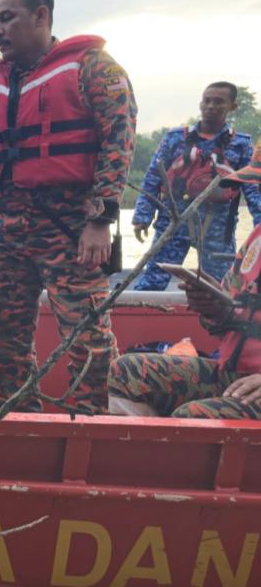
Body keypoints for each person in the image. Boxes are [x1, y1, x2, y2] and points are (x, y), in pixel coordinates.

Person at [0, 0, 137, 413]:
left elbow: (118, 142)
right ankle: (21, 419)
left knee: (87, 336)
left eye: (7, 18)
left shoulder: (94, 68)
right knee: (3, 336)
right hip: (0, 227)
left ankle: (92, 425)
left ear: (42, 16)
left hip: (69, 226)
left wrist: (101, 220)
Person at [108, 160, 261, 419]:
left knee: (190, 418)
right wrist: (215, 307)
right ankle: (143, 454)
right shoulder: (256, 239)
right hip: (235, 376)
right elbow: (225, 325)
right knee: (126, 372)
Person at [131, 82, 258, 290]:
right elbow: (153, 178)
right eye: (206, 101)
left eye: (218, 102)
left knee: (221, 289)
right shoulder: (175, 138)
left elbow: (252, 189)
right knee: (152, 282)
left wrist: (259, 226)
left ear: (232, 107)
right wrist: (142, 217)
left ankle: (221, 322)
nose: (210, 106)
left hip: (218, 228)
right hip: (172, 223)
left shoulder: (241, 144)